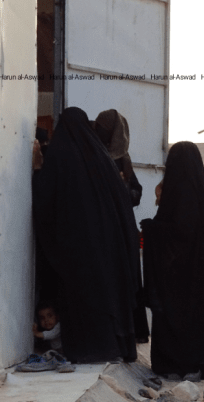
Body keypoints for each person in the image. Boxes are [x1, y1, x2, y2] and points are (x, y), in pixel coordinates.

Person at [32, 107, 140, 364]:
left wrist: (37, 170)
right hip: (104, 249)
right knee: (104, 296)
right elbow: (125, 201)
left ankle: (86, 349)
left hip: (74, 250)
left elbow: (44, 202)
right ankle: (111, 347)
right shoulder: (102, 160)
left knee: (80, 298)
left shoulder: (59, 155)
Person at [141, 142, 204, 381]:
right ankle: (197, 362)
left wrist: (150, 229)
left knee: (174, 312)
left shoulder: (176, 196)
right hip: (198, 274)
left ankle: (172, 363)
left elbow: (176, 233)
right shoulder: (200, 198)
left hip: (174, 274)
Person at [93, 108, 150, 344]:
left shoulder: (122, 159)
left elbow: (136, 193)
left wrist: (123, 186)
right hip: (102, 228)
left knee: (128, 278)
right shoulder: (93, 152)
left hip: (123, 227)